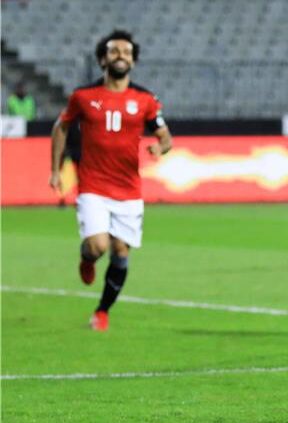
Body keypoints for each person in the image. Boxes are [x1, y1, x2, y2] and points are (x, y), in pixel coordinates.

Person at [49, 30, 172, 332]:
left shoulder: (145, 99)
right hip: (93, 186)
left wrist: (161, 147)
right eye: (114, 51)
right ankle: (87, 259)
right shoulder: (83, 96)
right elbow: (61, 127)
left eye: (127, 52)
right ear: (103, 59)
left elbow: (165, 136)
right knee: (98, 246)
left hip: (129, 190)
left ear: (133, 61)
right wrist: (55, 169)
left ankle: (102, 311)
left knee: (121, 251)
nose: (121, 56)